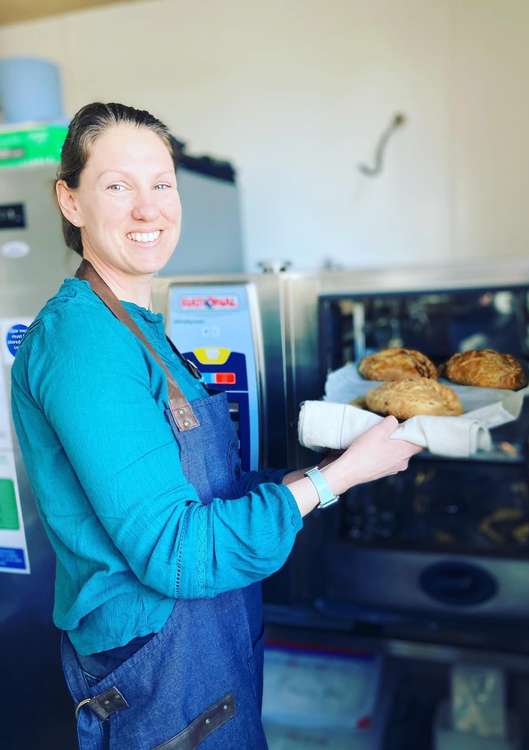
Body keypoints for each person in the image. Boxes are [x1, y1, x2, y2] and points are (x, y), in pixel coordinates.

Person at [11, 102, 421, 750]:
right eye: (117, 186)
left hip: (206, 639)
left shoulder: (139, 328)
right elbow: (176, 552)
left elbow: (208, 490)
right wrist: (340, 476)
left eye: (162, 184)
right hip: (155, 669)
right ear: (71, 201)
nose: (148, 209)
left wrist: (330, 465)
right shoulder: (83, 341)